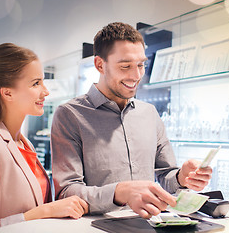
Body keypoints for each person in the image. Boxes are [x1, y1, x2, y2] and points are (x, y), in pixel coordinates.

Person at [51, 22, 212, 219]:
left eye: (140, 65)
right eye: (125, 66)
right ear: (100, 65)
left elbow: (166, 175)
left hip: (150, 225)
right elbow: (67, 192)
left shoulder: (149, 113)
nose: (136, 76)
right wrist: (120, 192)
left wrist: (182, 177)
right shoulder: (69, 114)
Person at [0, 43, 88, 233]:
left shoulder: (23, 143)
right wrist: (45, 211)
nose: (46, 91)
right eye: (36, 83)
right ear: (7, 92)